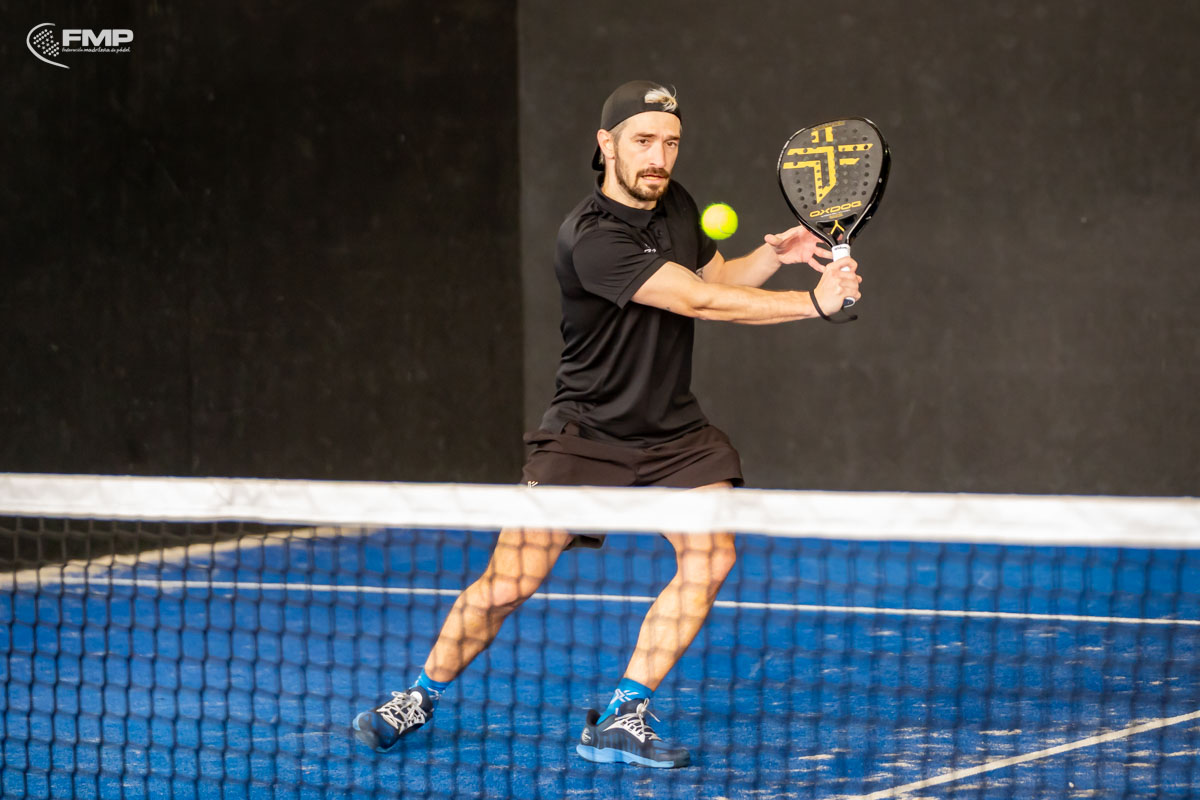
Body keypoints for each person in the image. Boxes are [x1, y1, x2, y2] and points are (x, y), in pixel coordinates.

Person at [352, 80, 862, 768]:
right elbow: (696, 303)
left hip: (674, 434)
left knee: (712, 557)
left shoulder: (676, 203)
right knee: (506, 585)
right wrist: (814, 304)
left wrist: (775, 256)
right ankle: (418, 696)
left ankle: (624, 712)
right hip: (585, 435)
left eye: (671, 142)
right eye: (643, 141)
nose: (659, 157)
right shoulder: (590, 238)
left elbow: (717, 280)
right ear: (607, 144)